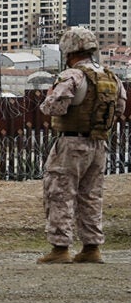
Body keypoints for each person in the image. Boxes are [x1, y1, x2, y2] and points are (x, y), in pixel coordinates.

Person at [37, 27, 126, 264]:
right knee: (91, 196)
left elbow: (54, 107)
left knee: (60, 193)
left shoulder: (73, 76)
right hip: (98, 143)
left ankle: (60, 248)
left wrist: (48, 97)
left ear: (68, 50)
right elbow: (120, 108)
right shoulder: (110, 76)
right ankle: (91, 247)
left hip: (71, 143)